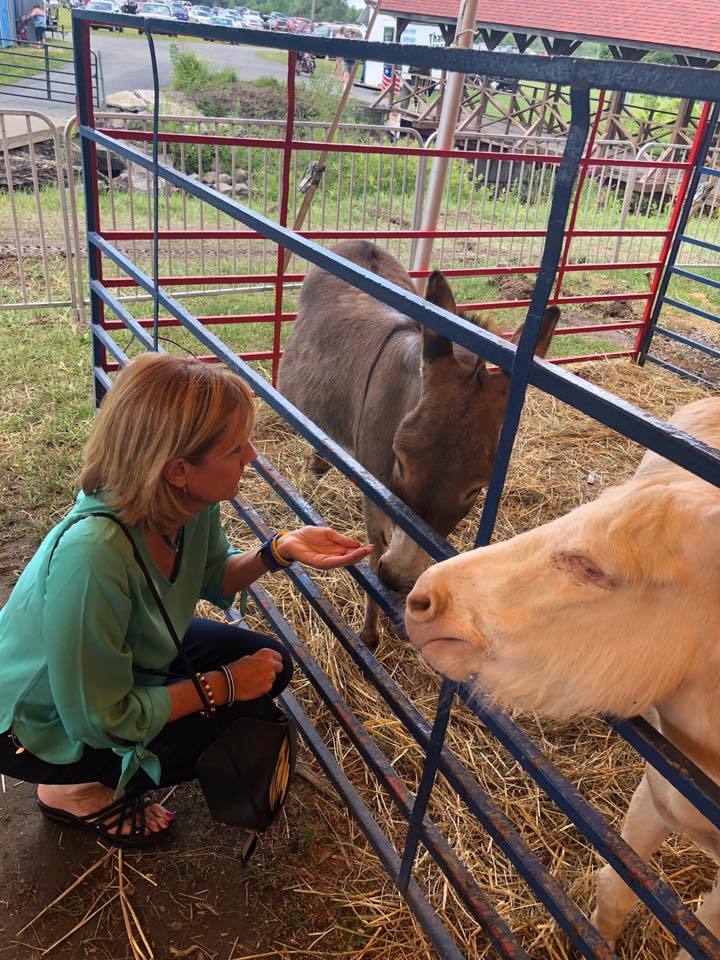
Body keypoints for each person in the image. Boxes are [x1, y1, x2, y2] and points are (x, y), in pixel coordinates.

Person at [0, 353, 373, 849]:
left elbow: (216, 577)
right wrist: (220, 686)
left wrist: (278, 550)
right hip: (40, 722)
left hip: (124, 661)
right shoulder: (93, 556)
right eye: (235, 448)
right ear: (177, 469)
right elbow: (100, 717)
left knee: (269, 669)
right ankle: (69, 788)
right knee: (239, 718)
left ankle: (136, 744)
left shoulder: (185, 505)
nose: (253, 456)